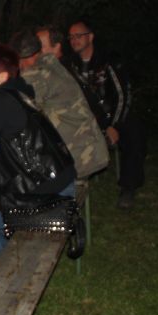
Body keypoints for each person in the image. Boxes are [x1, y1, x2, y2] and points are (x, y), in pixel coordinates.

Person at [0, 44, 76, 270]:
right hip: (59, 180)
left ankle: (6, 274)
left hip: (42, 193)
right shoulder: (21, 92)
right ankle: (9, 261)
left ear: (2, 77)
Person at [65, 19, 147, 209]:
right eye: (71, 37)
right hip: (85, 119)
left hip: (112, 115)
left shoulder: (108, 60)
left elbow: (122, 95)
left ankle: (128, 187)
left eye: (79, 36)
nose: (74, 40)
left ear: (90, 37)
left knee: (134, 131)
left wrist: (113, 125)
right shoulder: (69, 64)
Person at [11, 30, 109, 179]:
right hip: (89, 147)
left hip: (77, 156)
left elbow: (16, 111)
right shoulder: (52, 64)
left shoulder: (37, 75)